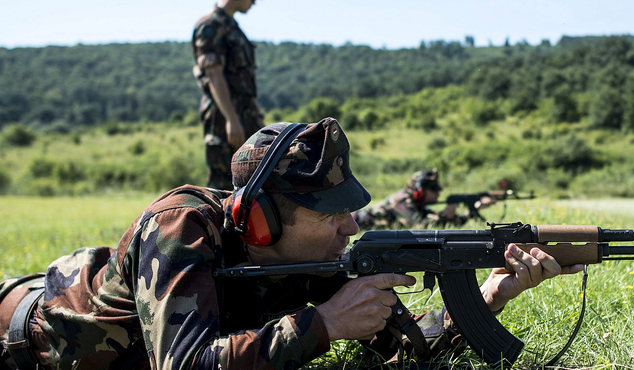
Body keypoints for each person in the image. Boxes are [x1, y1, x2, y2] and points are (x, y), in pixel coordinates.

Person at [0, 118, 583, 370]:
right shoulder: (180, 226)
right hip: (29, 333)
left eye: (350, 210)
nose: (349, 228)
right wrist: (323, 324)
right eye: (328, 215)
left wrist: (489, 297)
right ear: (261, 221)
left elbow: (408, 351)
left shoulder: (321, 257)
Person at [192, 0, 263, 190]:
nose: (255, 3)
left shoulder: (232, 27)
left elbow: (245, 82)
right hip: (224, 116)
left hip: (245, 116)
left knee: (252, 184)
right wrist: (231, 119)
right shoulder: (210, 26)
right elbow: (214, 75)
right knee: (224, 187)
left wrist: (257, 118)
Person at [353, 168, 496, 229]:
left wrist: (474, 210)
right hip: (356, 222)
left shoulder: (418, 205)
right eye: (434, 190)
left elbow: (442, 223)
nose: (438, 194)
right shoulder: (400, 201)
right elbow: (420, 226)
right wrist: (445, 215)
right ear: (420, 191)